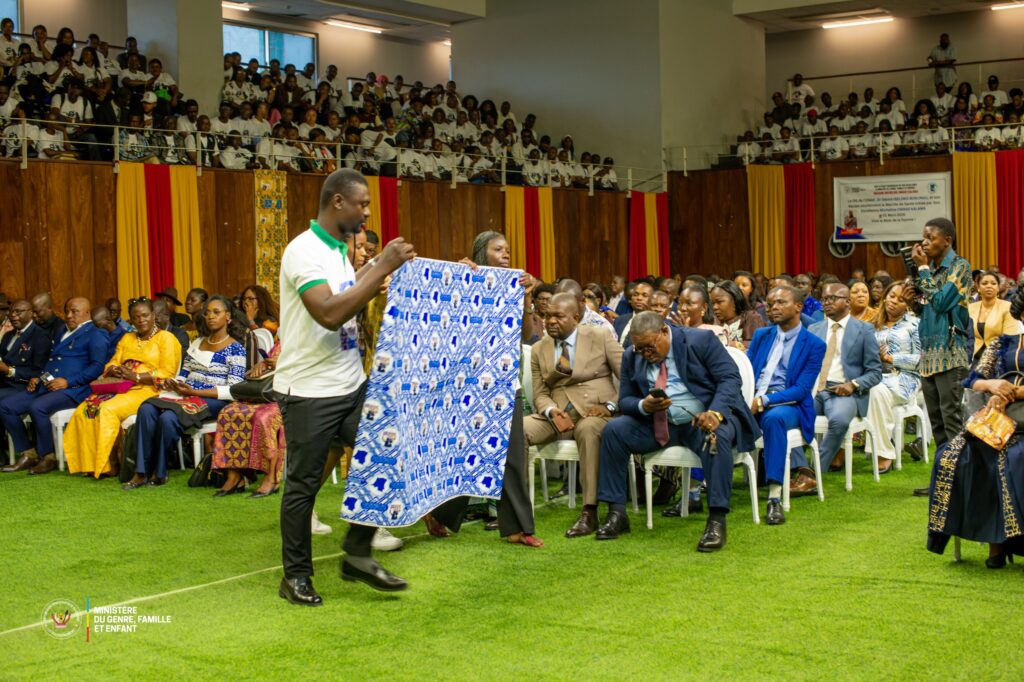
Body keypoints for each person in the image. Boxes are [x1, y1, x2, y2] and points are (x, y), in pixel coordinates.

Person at [275, 169, 416, 606]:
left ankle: (356, 552)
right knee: (303, 486)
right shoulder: (303, 251)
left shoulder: (339, 251)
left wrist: (382, 269)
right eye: (362, 204)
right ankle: (296, 577)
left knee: (388, 454)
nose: (368, 212)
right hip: (308, 391)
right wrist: (383, 265)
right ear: (338, 202)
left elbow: (352, 292)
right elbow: (330, 313)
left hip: (350, 383)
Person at [595, 312, 759, 552]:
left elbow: (730, 378)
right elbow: (625, 400)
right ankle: (617, 513)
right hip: (660, 423)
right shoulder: (632, 354)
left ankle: (716, 520)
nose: (645, 354)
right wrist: (643, 405)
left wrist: (715, 413)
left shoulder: (700, 341)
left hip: (702, 419)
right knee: (613, 431)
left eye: (649, 347)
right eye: (640, 349)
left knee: (716, 438)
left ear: (664, 331)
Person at [428, 230, 542, 546]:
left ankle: (518, 528)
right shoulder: (465, 278)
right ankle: (439, 514)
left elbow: (525, 335)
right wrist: (455, 278)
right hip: (470, 384)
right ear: (482, 253)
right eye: (498, 249)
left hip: (506, 382)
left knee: (512, 456)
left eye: (508, 249)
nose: (506, 254)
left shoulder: (515, 286)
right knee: (466, 455)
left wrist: (527, 298)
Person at [927, 287, 1024, 567]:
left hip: (1016, 420)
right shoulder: (1004, 342)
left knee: (1010, 460)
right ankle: (996, 542)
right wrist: (992, 385)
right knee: (954, 455)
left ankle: (1005, 542)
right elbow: (972, 379)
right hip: (1001, 424)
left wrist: (1012, 393)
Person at [122, 296, 248, 490]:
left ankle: (159, 472)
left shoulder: (235, 349)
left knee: (168, 418)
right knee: (147, 408)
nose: (210, 316)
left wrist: (195, 391)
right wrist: (175, 384)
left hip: (213, 399)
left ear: (228, 316)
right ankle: (141, 471)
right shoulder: (197, 343)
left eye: (216, 312)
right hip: (186, 395)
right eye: (207, 313)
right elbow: (183, 373)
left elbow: (233, 390)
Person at [524, 293, 623, 538]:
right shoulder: (539, 348)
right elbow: (540, 393)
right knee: (516, 430)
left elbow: (629, 377)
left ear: (576, 318)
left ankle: (589, 511)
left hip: (595, 410)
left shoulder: (600, 336)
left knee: (588, 430)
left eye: (559, 316)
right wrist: (550, 410)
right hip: (558, 414)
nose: (551, 321)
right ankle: (515, 508)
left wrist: (612, 406)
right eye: (548, 316)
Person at [63, 298, 182, 478]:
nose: (141, 320)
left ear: (153, 316)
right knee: (85, 409)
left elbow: (167, 372)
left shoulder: (166, 338)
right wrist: (114, 369)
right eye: (136, 317)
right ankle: (91, 464)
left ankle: (111, 464)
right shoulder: (127, 338)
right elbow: (112, 362)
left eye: (145, 315)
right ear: (131, 319)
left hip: (148, 390)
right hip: (121, 386)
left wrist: (136, 376)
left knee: (106, 410)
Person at [789, 283, 882, 494]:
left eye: (832, 298)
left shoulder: (864, 330)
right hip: (814, 390)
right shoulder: (814, 329)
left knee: (839, 421)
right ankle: (802, 470)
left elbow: (875, 372)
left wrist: (853, 385)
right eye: (824, 299)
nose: (827, 303)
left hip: (844, 391)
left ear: (847, 302)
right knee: (787, 417)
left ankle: (814, 474)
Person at [747, 286, 826, 525]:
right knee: (716, 416)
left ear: (798, 307)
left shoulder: (813, 344)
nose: (773, 308)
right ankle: (696, 488)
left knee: (774, 419)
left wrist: (764, 400)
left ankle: (774, 497)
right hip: (752, 399)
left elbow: (802, 390)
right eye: (770, 304)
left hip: (788, 404)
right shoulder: (762, 335)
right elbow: (748, 371)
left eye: (781, 302)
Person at [0, 298, 106, 475]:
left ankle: (48, 456)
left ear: (88, 313)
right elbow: (52, 363)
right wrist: (39, 378)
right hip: (48, 385)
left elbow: (97, 367)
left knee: (37, 407)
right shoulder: (63, 331)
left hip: (75, 389)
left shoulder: (96, 333)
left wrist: (68, 382)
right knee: (5, 406)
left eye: (74, 311)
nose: (69, 315)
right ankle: (28, 453)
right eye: (67, 311)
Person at [911, 217, 972, 497]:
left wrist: (923, 270)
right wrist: (913, 300)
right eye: (923, 237)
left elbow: (941, 302)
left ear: (947, 240)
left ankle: (961, 482)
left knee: (952, 422)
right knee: (936, 424)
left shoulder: (960, 266)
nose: (924, 242)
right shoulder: (932, 271)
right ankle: (943, 481)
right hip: (928, 357)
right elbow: (927, 309)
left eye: (930, 237)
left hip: (950, 355)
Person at [867, 281, 923, 472]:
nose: (893, 302)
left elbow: (922, 360)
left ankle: (884, 453)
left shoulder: (915, 325)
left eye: (901, 300)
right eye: (891, 296)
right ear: (884, 297)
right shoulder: (872, 325)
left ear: (908, 305)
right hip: (875, 375)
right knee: (867, 390)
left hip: (904, 378)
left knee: (876, 391)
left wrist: (891, 358)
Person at [970, 270, 1018, 361]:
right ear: (978, 288)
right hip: (973, 358)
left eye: (993, 283)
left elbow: (1010, 338)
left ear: (998, 288)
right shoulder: (970, 308)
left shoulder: (1007, 307)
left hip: (999, 359)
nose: (989, 286)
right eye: (984, 283)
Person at [709, 280, 765, 351]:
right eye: (713, 303)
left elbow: (754, 346)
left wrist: (728, 343)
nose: (714, 307)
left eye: (719, 302)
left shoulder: (751, 317)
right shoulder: (714, 322)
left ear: (735, 300)